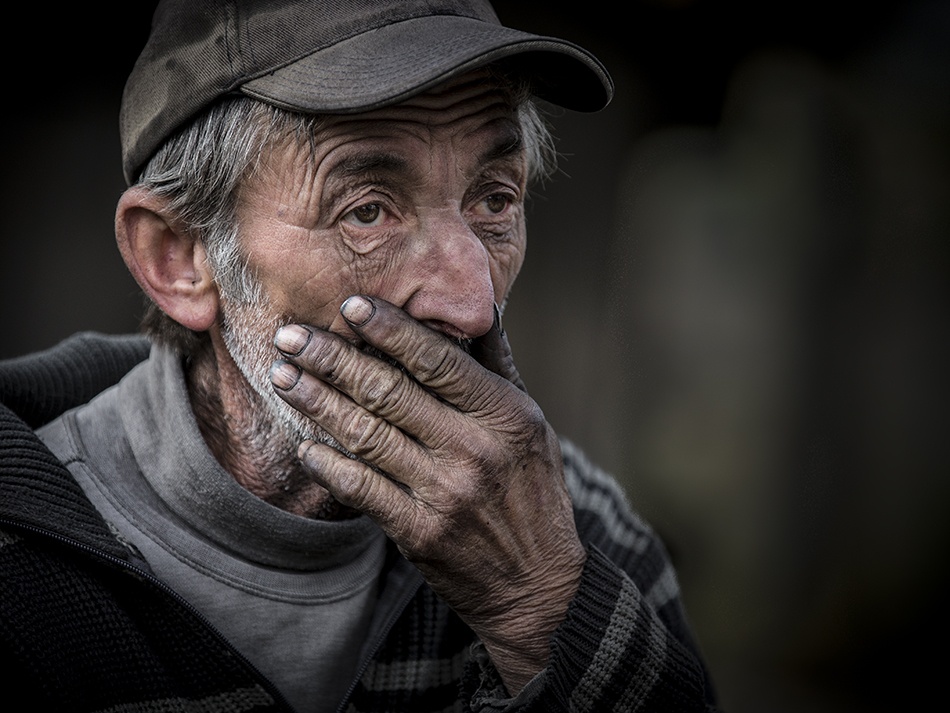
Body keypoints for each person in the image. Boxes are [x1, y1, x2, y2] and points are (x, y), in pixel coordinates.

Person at [0, 1, 718, 711]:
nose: (472, 304)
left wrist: (540, 610)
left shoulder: (581, 539)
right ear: (180, 256)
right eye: (367, 211)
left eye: (494, 201)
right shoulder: (22, 580)